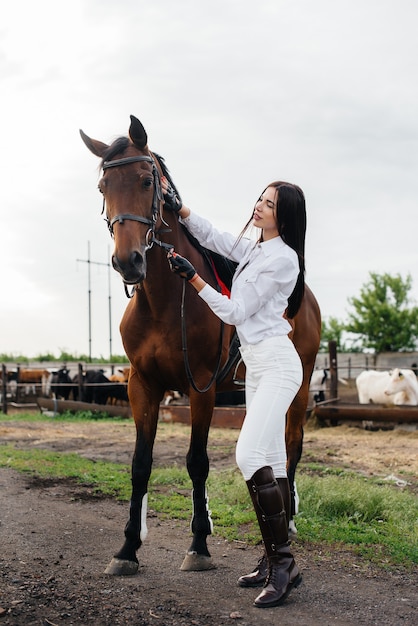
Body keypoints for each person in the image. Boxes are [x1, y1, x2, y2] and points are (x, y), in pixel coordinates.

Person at [162, 178, 306, 609]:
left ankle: (284, 565)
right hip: (259, 366)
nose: (260, 207)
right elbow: (218, 238)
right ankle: (273, 559)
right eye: (260, 199)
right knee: (271, 460)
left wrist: (194, 280)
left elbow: (236, 311)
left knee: (247, 456)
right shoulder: (258, 249)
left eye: (270, 204)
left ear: (286, 216)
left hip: (279, 365)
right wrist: (182, 210)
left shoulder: (284, 261)